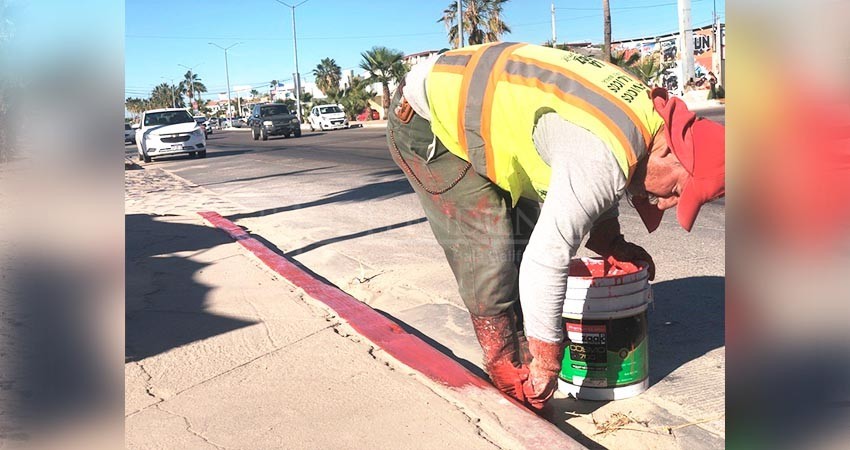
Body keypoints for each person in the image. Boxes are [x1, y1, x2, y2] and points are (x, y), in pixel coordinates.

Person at [386, 42, 725, 411]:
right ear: (665, 152)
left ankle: (526, 353)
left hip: (488, 111)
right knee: (491, 252)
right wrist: (548, 359)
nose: (670, 202)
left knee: (526, 240)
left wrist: (608, 239)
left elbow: (598, 168)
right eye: (677, 190)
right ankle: (507, 371)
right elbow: (548, 257)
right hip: (427, 120)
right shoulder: (601, 155)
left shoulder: (645, 117)